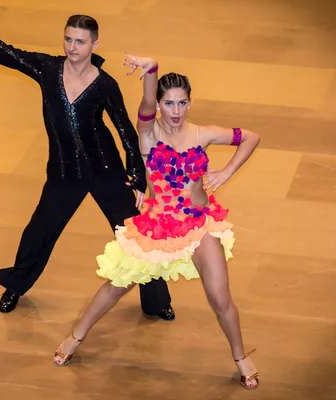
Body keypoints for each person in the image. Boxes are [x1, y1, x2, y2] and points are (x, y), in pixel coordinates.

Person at [0, 13, 175, 320]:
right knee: (39, 230)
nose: (72, 47)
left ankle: (156, 302)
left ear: (94, 44)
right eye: (68, 39)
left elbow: (125, 130)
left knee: (136, 235)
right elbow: (5, 52)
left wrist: (137, 179)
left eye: (80, 41)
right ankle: (16, 284)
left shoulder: (105, 85)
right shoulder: (47, 69)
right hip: (64, 172)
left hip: (106, 171)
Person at [52, 54, 260, 390]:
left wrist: (226, 172)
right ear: (160, 105)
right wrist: (152, 69)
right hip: (158, 228)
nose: (175, 111)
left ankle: (240, 357)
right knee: (115, 288)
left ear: (190, 102)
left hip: (198, 226)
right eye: (168, 103)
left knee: (220, 299)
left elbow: (250, 137)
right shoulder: (148, 135)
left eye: (181, 103)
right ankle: (75, 337)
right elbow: (146, 102)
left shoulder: (203, 133)